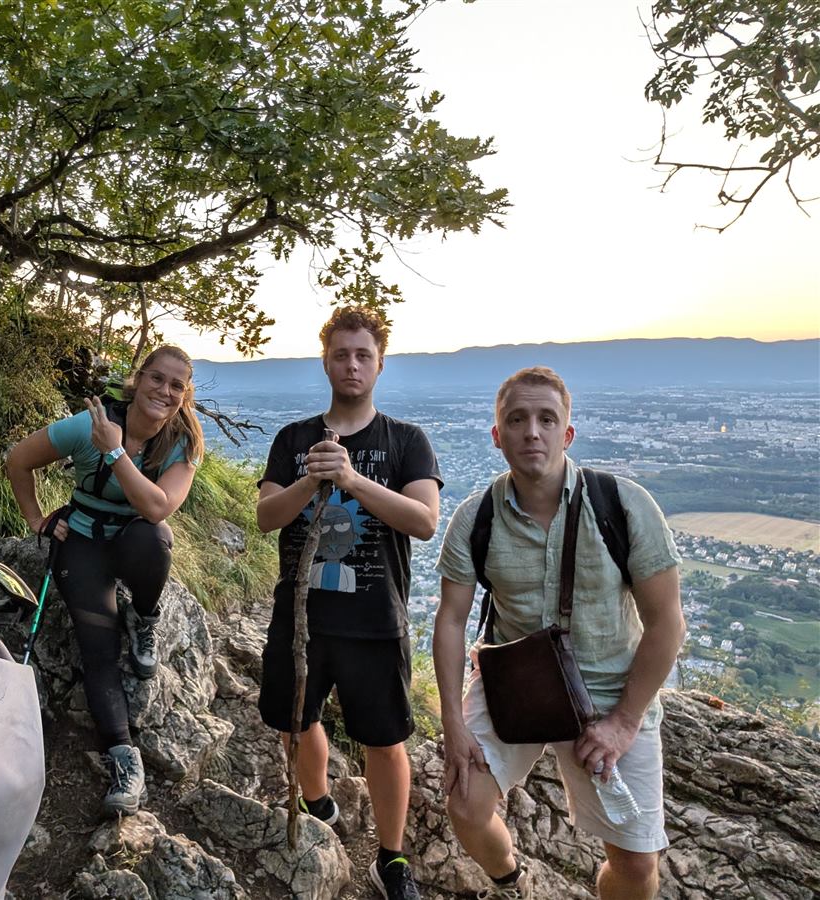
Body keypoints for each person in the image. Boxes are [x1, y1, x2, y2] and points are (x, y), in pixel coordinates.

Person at [434, 366, 685, 900]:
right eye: (517, 419)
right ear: (497, 435)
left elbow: (667, 623)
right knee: (465, 802)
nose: (532, 431)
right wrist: (453, 722)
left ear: (567, 434)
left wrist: (624, 722)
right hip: (515, 684)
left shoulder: (623, 506)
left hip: (612, 692)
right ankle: (512, 881)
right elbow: (451, 621)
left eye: (547, 419)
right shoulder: (474, 518)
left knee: (637, 866)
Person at [256, 306, 442, 900]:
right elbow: (265, 517)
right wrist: (311, 479)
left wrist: (355, 480)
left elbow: (424, 522)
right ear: (326, 362)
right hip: (300, 616)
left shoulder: (406, 441)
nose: (352, 364)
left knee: (385, 742)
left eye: (363, 354)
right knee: (295, 721)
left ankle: (390, 859)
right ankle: (319, 808)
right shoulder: (293, 440)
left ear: (380, 363)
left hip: (374, 619)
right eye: (342, 354)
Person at [6, 346, 203, 815]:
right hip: (84, 537)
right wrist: (36, 520)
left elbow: (157, 507)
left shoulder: (183, 442)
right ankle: (122, 754)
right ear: (138, 381)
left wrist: (113, 450)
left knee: (154, 537)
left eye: (176, 385)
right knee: (99, 646)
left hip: (136, 537)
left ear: (184, 395)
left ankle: (146, 616)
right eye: (156, 379)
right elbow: (18, 460)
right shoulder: (85, 425)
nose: (165, 391)